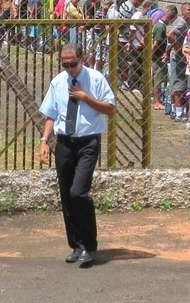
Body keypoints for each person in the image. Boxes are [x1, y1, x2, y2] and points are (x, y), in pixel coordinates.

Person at [38, 44, 116, 267]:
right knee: (66, 195)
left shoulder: (96, 79)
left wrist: (86, 97)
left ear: (82, 59)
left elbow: (111, 109)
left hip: (87, 142)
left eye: (73, 64)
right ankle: (76, 245)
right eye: (65, 64)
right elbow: (51, 114)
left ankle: (89, 245)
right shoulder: (58, 82)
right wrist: (44, 140)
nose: (70, 68)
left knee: (78, 192)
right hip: (65, 143)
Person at [165, 5, 189, 121]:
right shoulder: (171, 22)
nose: (164, 15)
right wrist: (167, 53)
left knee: (178, 83)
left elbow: (169, 36)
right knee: (176, 83)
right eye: (188, 9)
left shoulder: (180, 22)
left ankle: (178, 111)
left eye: (166, 12)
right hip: (176, 57)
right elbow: (169, 38)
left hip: (179, 57)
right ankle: (177, 111)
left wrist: (177, 47)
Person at [152, 13, 169, 110]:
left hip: (157, 57)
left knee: (158, 78)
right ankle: (157, 102)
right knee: (158, 79)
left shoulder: (159, 25)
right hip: (158, 58)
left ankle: (157, 100)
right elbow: (156, 43)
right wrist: (151, 52)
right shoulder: (161, 26)